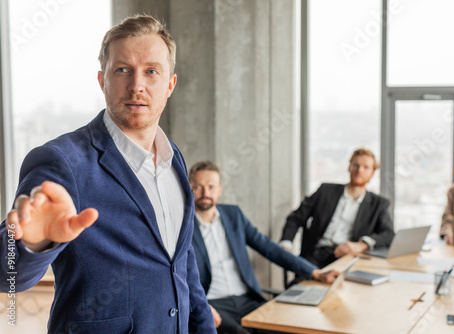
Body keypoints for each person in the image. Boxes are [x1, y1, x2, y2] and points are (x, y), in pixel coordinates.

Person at [0, 15, 216, 333]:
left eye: (151, 71)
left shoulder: (175, 158)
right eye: (122, 70)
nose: (137, 85)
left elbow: (183, 264)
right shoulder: (61, 161)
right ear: (103, 80)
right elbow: (7, 275)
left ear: (170, 84)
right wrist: (32, 242)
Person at [188, 161, 339, 334]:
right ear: (188, 188)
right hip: (213, 303)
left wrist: (315, 272)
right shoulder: (182, 225)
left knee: (292, 328)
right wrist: (201, 306)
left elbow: (269, 248)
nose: (205, 193)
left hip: (248, 300)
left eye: (211, 187)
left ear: (220, 190)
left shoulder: (233, 215)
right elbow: (177, 275)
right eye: (198, 187)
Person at [280, 148, 394, 269]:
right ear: (349, 167)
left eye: (366, 167)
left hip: (348, 259)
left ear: (372, 173)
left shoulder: (378, 204)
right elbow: (296, 218)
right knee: (303, 286)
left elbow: (389, 235)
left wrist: (361, 245)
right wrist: (286, 244)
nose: (359, 170)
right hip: (314, 256)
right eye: (356, 165)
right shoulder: (325, 191)